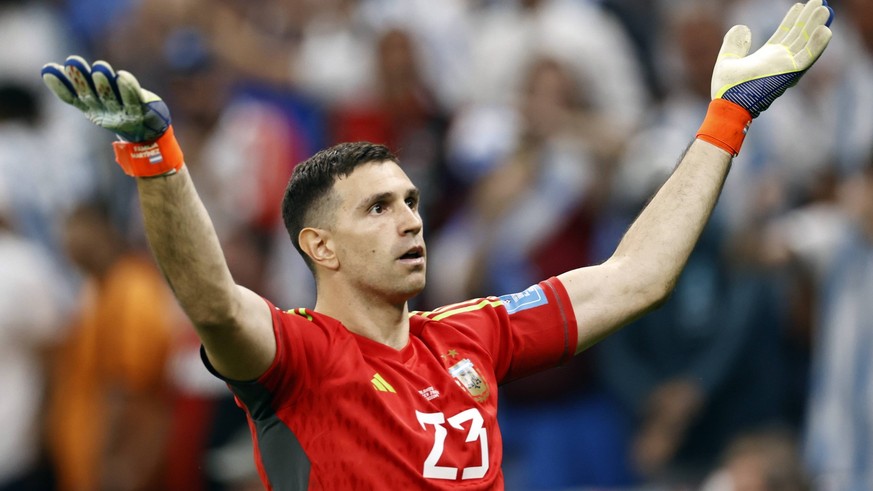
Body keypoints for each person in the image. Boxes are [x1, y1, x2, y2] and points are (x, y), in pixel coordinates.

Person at [40, 1, 833, 488]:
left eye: (413, 202)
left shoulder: (473, 335)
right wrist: (157, 160)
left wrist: (725, 119)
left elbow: (635, 276)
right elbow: (210, 298)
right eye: (379, 208)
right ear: (321, 246)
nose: (411, 219)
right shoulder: (296, 359)